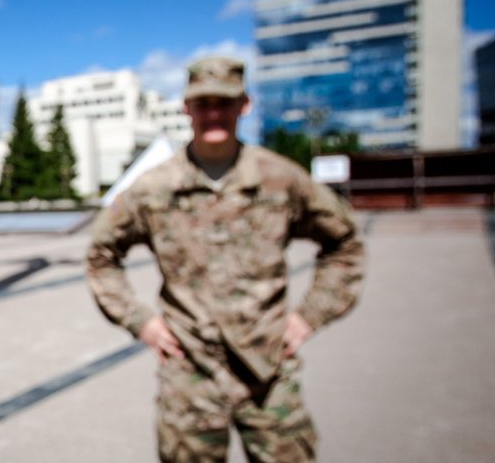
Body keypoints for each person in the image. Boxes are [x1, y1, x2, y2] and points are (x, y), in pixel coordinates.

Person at [85, 57, 364, 463]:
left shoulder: (280, 178)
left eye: (224, 102)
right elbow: (101, 255)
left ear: (244, 105)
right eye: (203, 104)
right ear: (186, 108)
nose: (213, 113)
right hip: (190, 373)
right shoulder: (154, 188)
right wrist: (139, 321)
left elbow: (346, 243)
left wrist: (309, 316)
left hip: (268, 372)